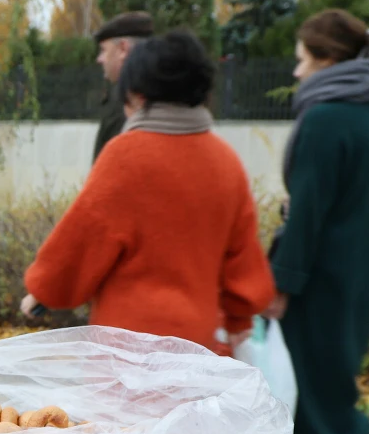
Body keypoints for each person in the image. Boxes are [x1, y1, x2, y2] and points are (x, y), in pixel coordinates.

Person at [21, 30, 275, 352]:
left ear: (138, 94)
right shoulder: (226, 160)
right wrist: (239, 318)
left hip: (128, 352)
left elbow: (80, 243)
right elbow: (242, 256)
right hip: (199, 349)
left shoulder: (126, 156)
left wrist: (44, 292)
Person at [265, 9, 369, 434]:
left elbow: (310, 211)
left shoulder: (325, 117)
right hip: (363, 270)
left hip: (318, 275)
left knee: (301, 382)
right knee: (329, 378)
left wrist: (282, 282)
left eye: (303, 59)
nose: (296, 71)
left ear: (327, 60)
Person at [93, 12, 154, 163]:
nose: (99, 59)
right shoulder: (164, 94)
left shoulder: (128, 102)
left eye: (103, 50)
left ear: (123, 49)